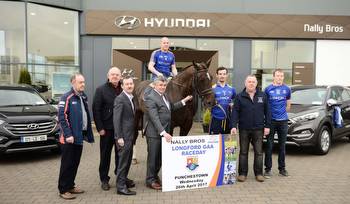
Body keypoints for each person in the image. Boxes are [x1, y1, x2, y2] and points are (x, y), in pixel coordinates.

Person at [143, 76, 192, 190]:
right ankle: (150, 180)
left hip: (164, 132)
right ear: (154, 85)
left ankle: (155, 176)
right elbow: (154, 118)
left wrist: (184, 101)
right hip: (155, 133)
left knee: (160, 157)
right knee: (153, 157)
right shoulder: (150, 98)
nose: (162, 87)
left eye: (164, 85)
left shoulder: (164, 96)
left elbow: (172, 107)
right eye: (160, 85)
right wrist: (164, 133)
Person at [92, 67, 135, 191]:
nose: (115, 76)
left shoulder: (123, 89)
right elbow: (96, 109)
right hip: (107, 129)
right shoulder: (101, 90)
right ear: (108, 76)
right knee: (105, 155)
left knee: (120, 155)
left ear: (121, 76)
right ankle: (104, 179)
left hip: (121, 130)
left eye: (117, 74)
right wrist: (100, 127)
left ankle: (120, 177)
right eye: (112, 74)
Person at [57, 73, 95, 200]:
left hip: (79, 137)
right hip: (69, 139)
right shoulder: (67, 97)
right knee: (67, 164)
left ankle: (71, 185)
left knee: (74, 163)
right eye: (80, 82)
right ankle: (63, 189)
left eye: (84, 82)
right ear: (73, 83)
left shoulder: (83, 97)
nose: (83, 84)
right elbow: (62, 117)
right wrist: (68, 134)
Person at [231, 75, 271, 183]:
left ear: (256, 84)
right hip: (244, 129)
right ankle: (242, 174)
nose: (251, 83)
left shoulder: (263, 96)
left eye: (253, 82)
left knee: (258, 152)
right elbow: (235, 112)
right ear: (245, 83)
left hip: (258, 129)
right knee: (243, 152)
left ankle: (258, 174)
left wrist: (267, 126)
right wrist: (233, 126)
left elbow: (268, 112)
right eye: (249, 81)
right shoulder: (239, 97)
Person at [264, 69, 291, 178]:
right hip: (271, 121)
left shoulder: (287, 89)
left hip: (283, 121)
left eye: (281, 76)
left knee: (282, 146)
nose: (280, 78)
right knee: (269, 145)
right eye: (278, 76)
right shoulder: (268, 89)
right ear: (274, 77)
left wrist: (283, 112)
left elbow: (288, 105)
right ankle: (267, 169)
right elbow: (265, 106)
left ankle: (282, 169)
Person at [113, 76, 137, 195]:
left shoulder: (131, 98)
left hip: (130, 136)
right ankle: (120, 187)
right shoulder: (120, 99)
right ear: (122, 86)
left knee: (127, 161)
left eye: (131, 84)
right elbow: (116, 120)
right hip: (123, 137)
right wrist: (119, 137)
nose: (129, 86)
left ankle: (123, 182)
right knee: (123, 163)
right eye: (127, 84)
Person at [210, 67, 236, 134]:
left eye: (224, 74)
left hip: (228, 119)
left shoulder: (232, 89)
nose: (222, 76)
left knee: (229, 143)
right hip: (216, 119)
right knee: (215, 142)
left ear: (227, 75)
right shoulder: (212, 89)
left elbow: (234, 101)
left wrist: (233, 104)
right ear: (216, 75)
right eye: (220, 74)